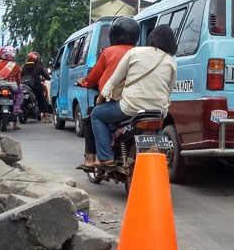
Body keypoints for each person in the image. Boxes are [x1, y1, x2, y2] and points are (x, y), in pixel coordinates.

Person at [91, 24, 178, 165]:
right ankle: (157, 153)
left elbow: (114, 80)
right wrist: (163, 111)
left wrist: (101, 98)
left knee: (96, 114)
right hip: (157, 112)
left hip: (130, 107)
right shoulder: (170, 61)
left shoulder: (135, 53)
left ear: (151, 38)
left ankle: (106, 156)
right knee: (157, 133)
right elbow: (169, 91)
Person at [76, 17, 139, 169]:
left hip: (117, 101)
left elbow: (93, 78)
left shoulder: (108, 52)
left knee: (93, 116)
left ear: (114, 35)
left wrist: (83, 82)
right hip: (142, 101)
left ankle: (93, 159)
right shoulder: (140, 52)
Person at [0, 46, 21, 130]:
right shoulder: (16, 66)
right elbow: (18, 78)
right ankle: (16, 108)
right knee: (19, 93)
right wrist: (18, 85)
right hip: (12, 86)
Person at [21, 52, 52, 123]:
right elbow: (46, 76)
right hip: (35, 86)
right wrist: (48, 78)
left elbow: (20, 75)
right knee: (43, 100)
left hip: (24, 86)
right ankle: (47, 118)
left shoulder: (24, 67)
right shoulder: (38, 67)